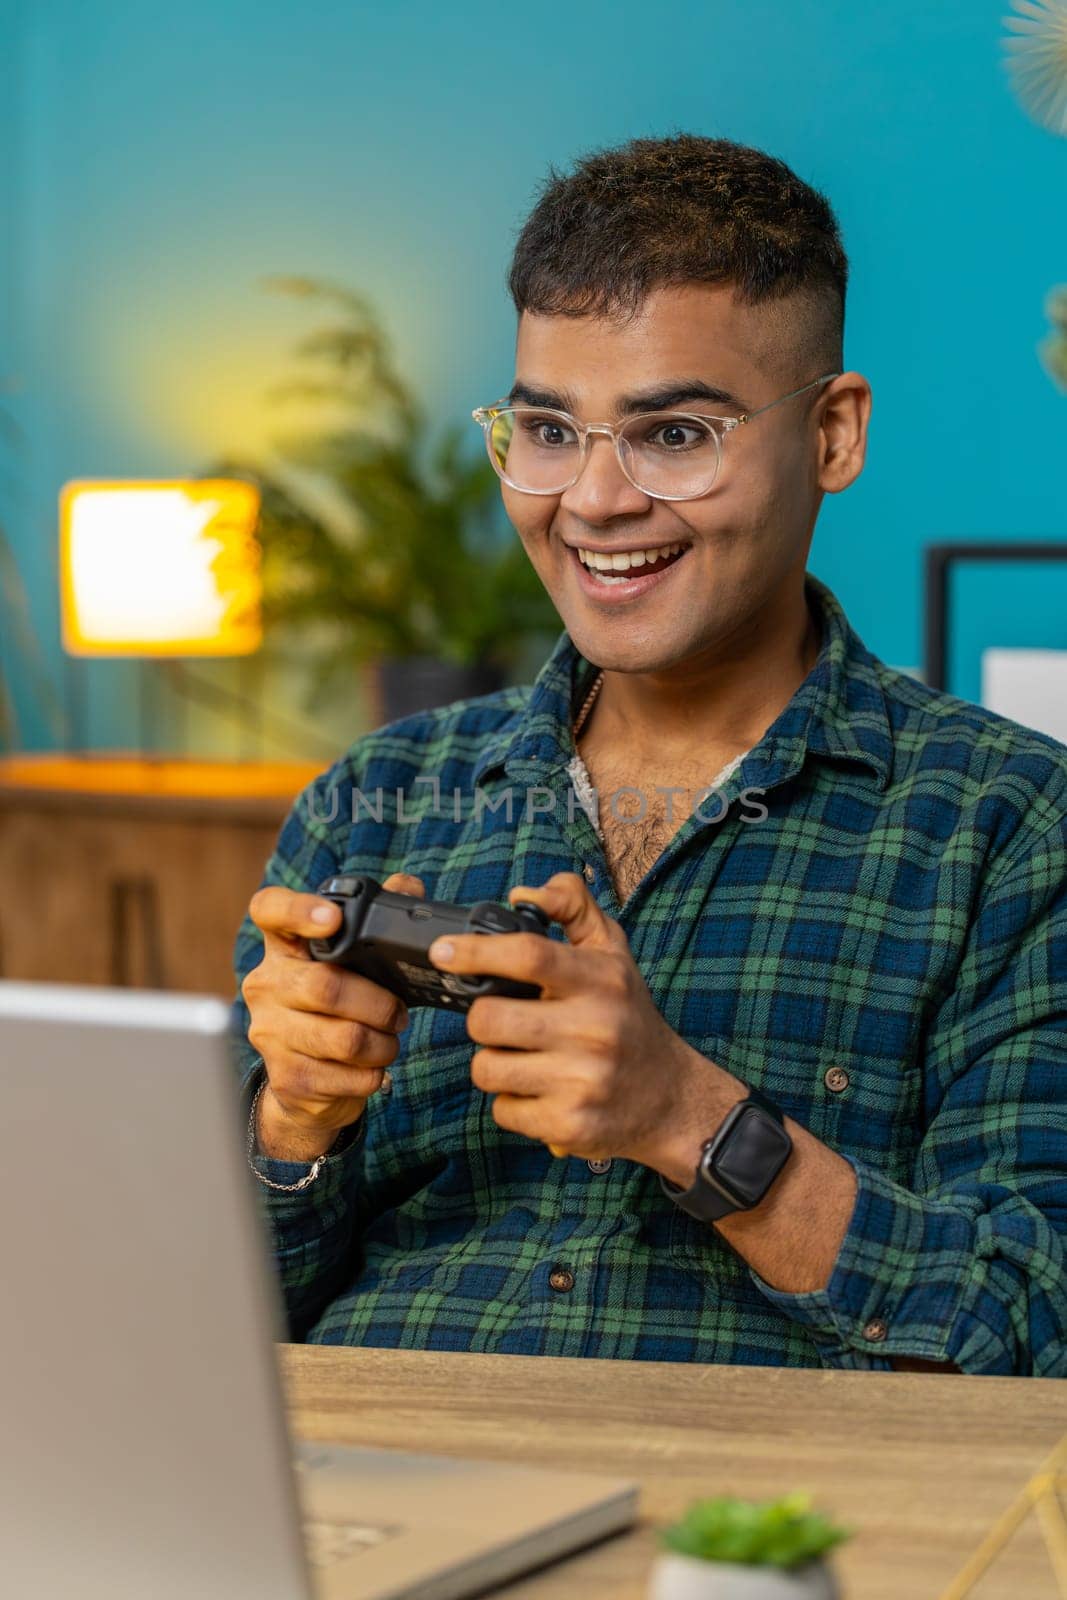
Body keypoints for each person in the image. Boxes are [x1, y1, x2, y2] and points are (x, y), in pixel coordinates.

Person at [231, 133, 1067, 1375]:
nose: (592, 502)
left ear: (832, 435)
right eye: (547, 429)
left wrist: (688, 1118)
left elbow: (1032, 1330)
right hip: (356, 1512)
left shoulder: (1005, 828)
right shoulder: (373, 801)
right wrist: (294, 1125)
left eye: (673, 434)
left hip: (746, 1536)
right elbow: (193, 1321)